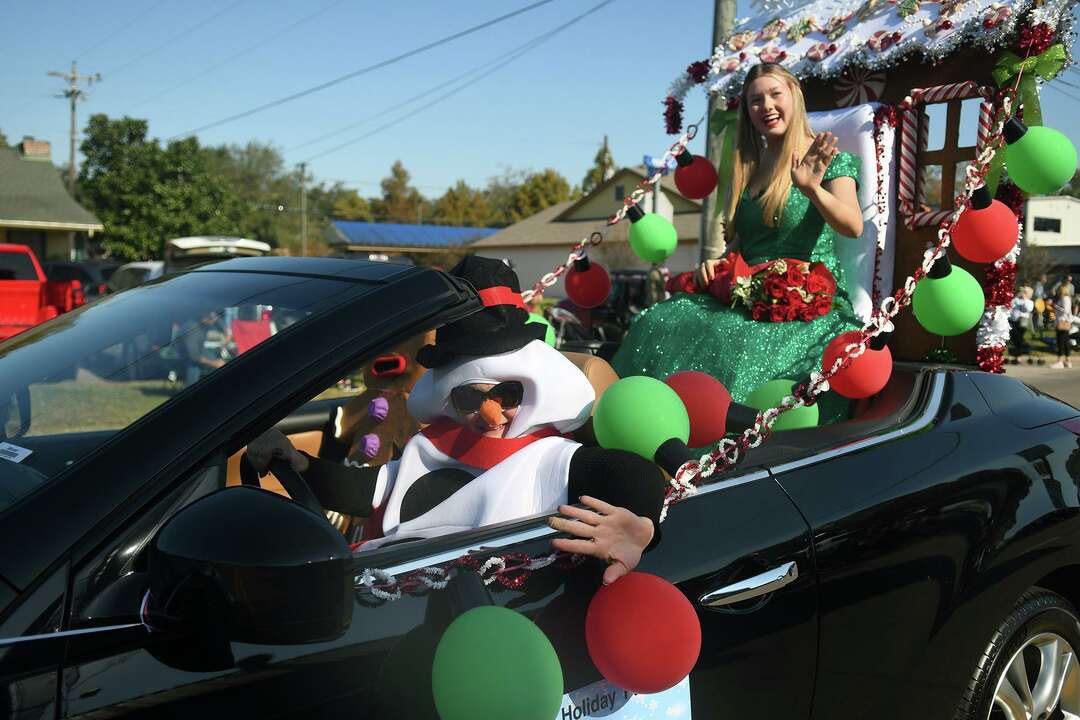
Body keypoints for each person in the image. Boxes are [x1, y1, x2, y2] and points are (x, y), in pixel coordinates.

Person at [248, 256, 671, 584]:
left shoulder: (550, 459)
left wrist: (642, 528)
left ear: (534, 388)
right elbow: (369, 491)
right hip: (379, 587)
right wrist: (300, 464)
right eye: (470, 397)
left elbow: (635, 476)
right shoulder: (429, 445)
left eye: (507, 395)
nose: (490, 415)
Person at [612, 62, 864, 424]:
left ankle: (718, 439)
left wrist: (810, 189)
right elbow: (744, 243)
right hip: (745, 287)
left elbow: (852, 225)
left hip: (802, 293)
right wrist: (720, 263)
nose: (767, 106)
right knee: (660, 320)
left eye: (775, 94)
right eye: (755, 100)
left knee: (732, 338)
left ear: (794, 96)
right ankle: (644, 423)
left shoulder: (832, 159)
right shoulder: (751, 167)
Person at [1009, 286, 1034, 362]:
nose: (1023, 293)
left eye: (1025, 292)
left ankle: (1020, 354)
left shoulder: (1029, 302)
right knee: (1015, 338)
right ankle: (1018, 355)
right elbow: (1011, 307)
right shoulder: (1016, 300)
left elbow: (1027, 309)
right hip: (1013, 320)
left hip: (1023, 322)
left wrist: (1025, 299)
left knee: (1019, 337)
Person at [1052, 284, 1074, 369]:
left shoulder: (1065, 299)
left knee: (1061, 342)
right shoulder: (1065, 299)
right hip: (1063, 321)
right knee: (1065, 342)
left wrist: (1055, 306)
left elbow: (1066, 310)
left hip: (1063, 322)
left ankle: (1060, 361)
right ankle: (1067, 361)